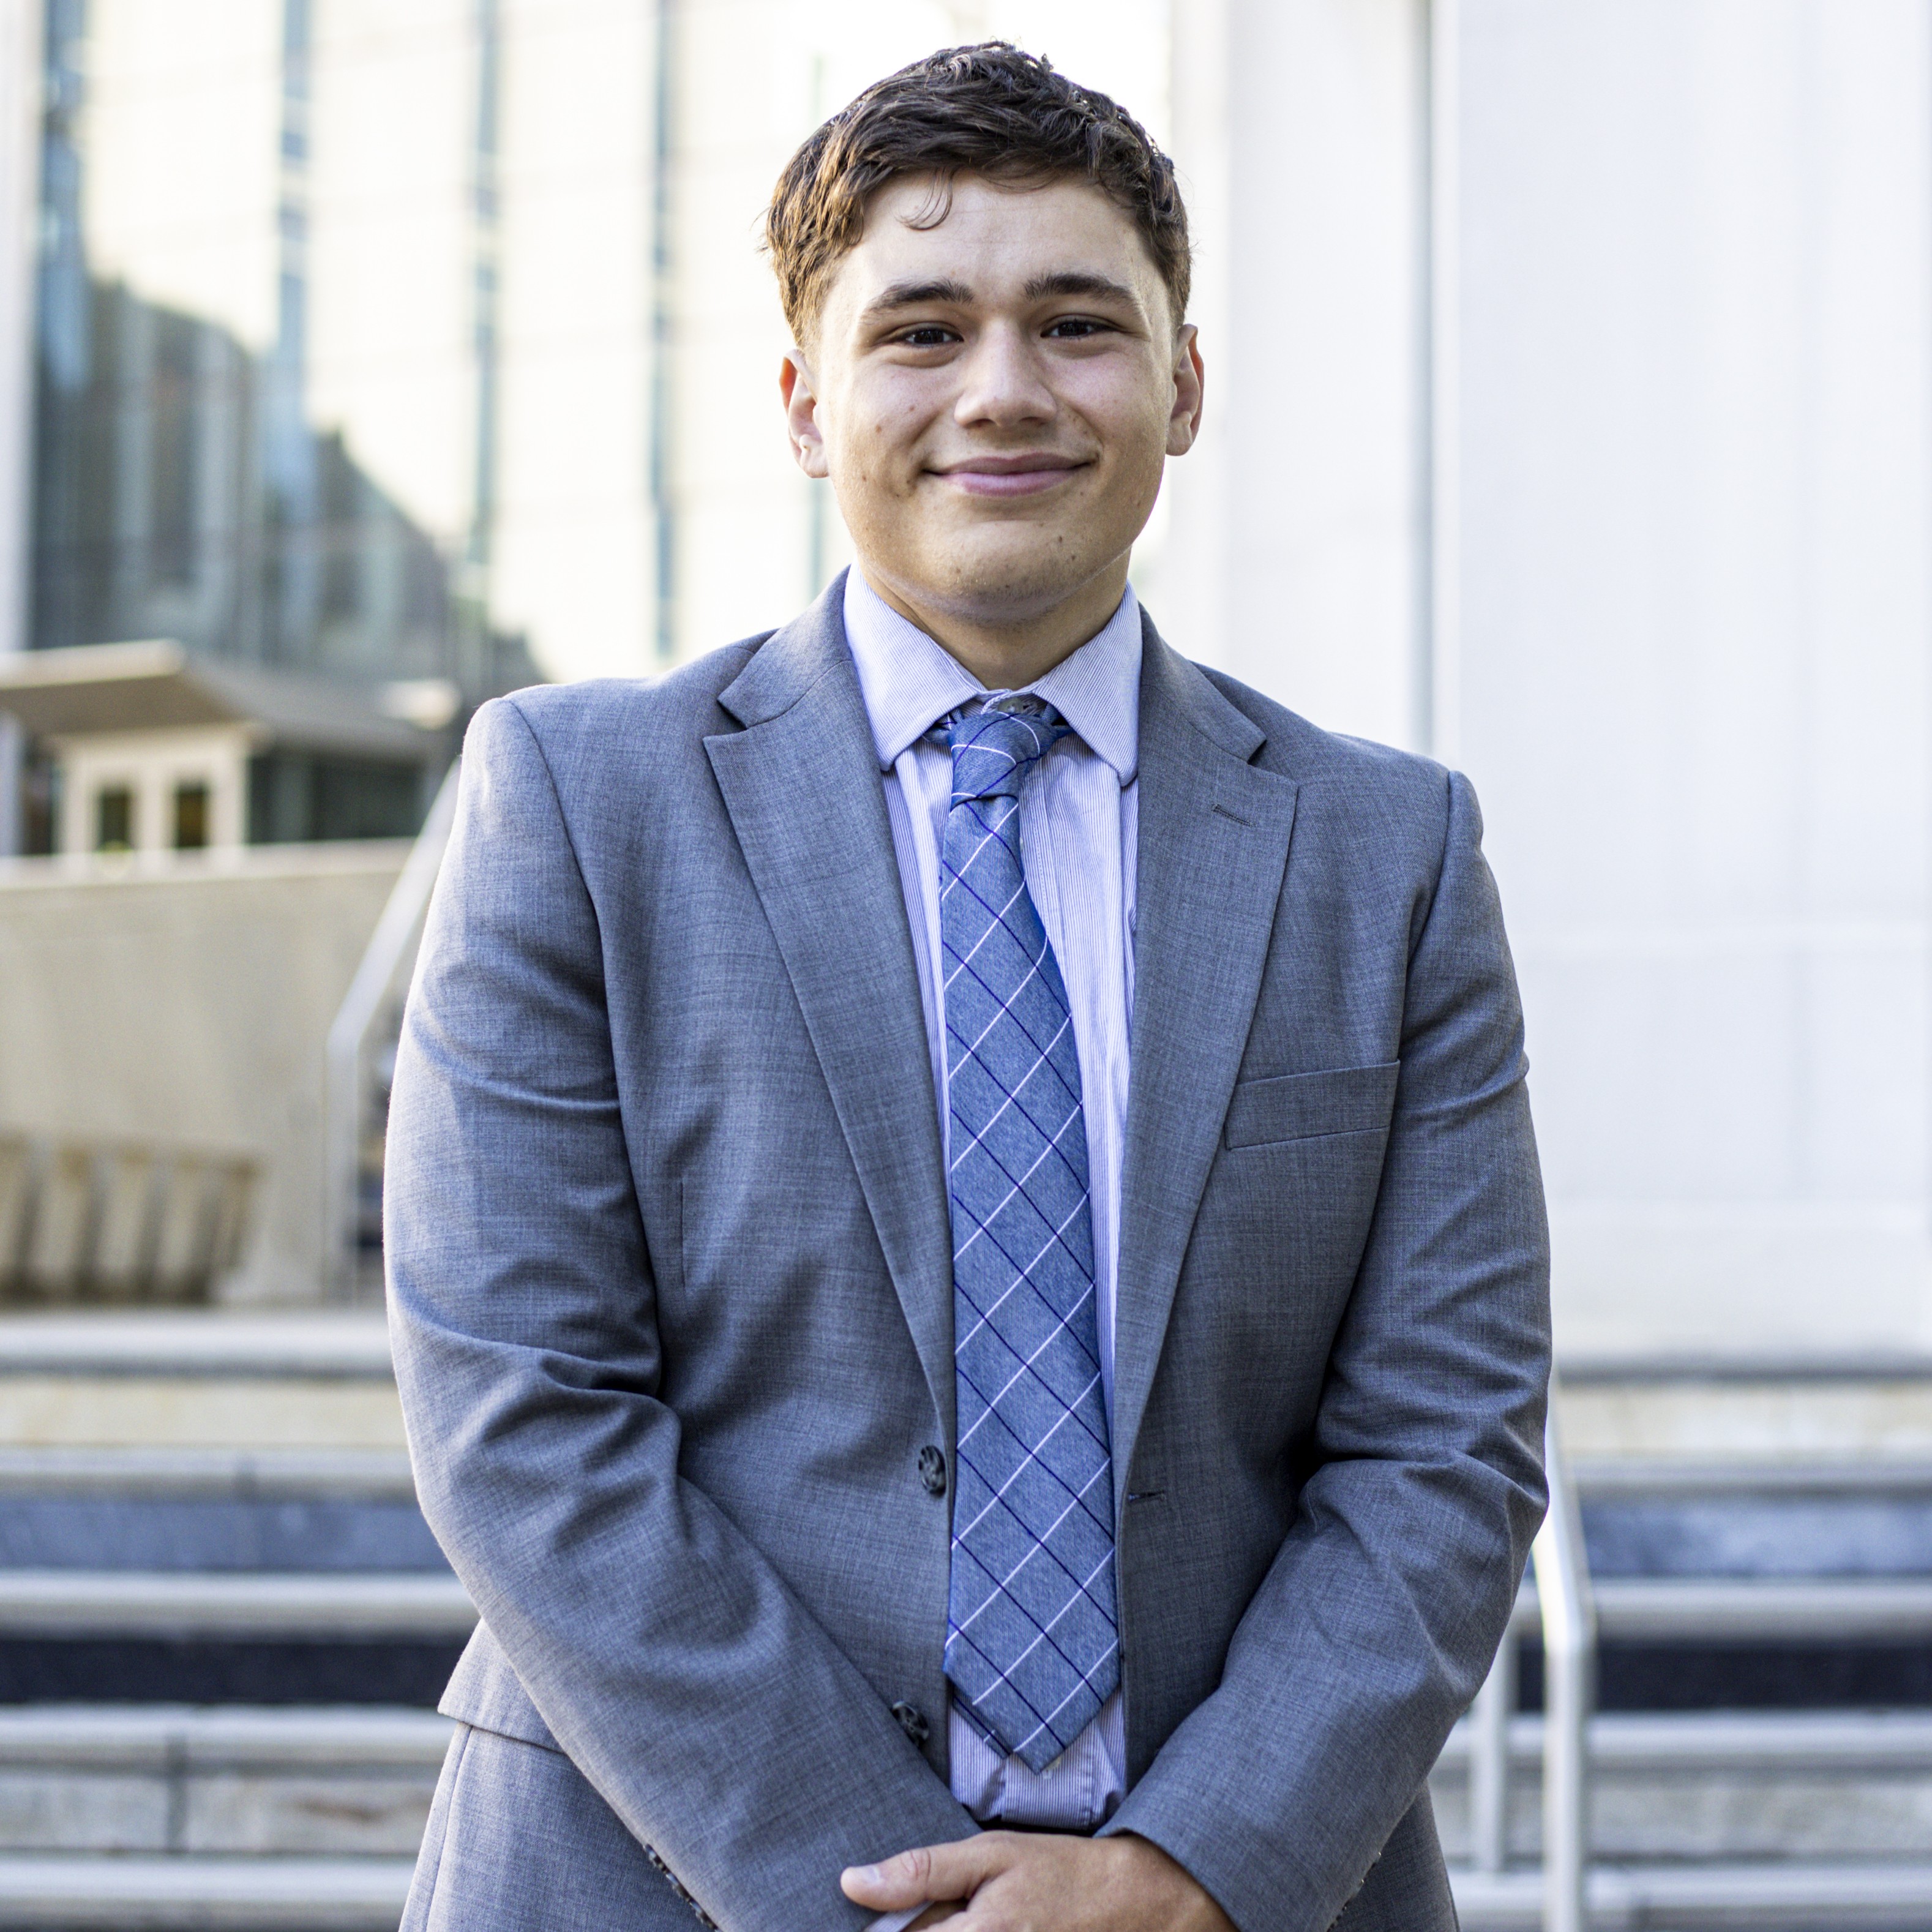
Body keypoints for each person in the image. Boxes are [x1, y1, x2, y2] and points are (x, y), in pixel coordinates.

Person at [388, 42, 1550, 1932]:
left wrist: (1185, 1869)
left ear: (1183, 384)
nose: (1002, 388)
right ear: (804, 401)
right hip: (651, 1872)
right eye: (920, 331)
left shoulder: (1386, 850)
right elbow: (520, 1412)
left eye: (1077, 324)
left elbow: (1446, 1441)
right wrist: (892, 1898)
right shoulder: (579, 804)